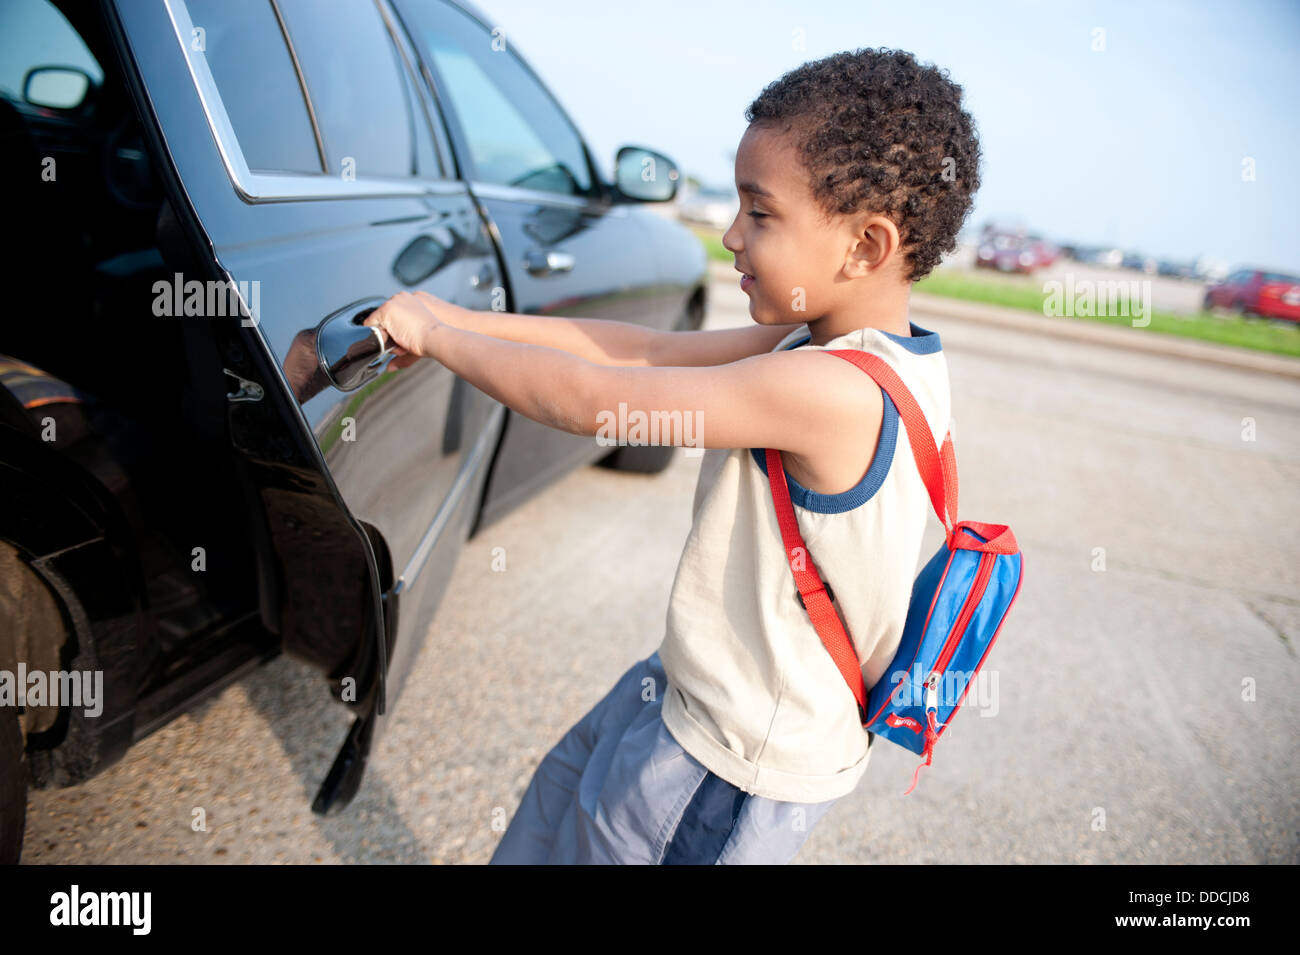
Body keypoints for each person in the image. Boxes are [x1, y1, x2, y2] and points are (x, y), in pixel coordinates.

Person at [364, 47, 981, 864]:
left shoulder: (829, 392)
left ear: (865, 246)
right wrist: (453, 319)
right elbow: (643, 351)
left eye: (760, 213)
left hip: (724, 768)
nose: (729, 234)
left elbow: (595, 401)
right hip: (687, 695)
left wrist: (438, 338)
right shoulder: (857, 348)